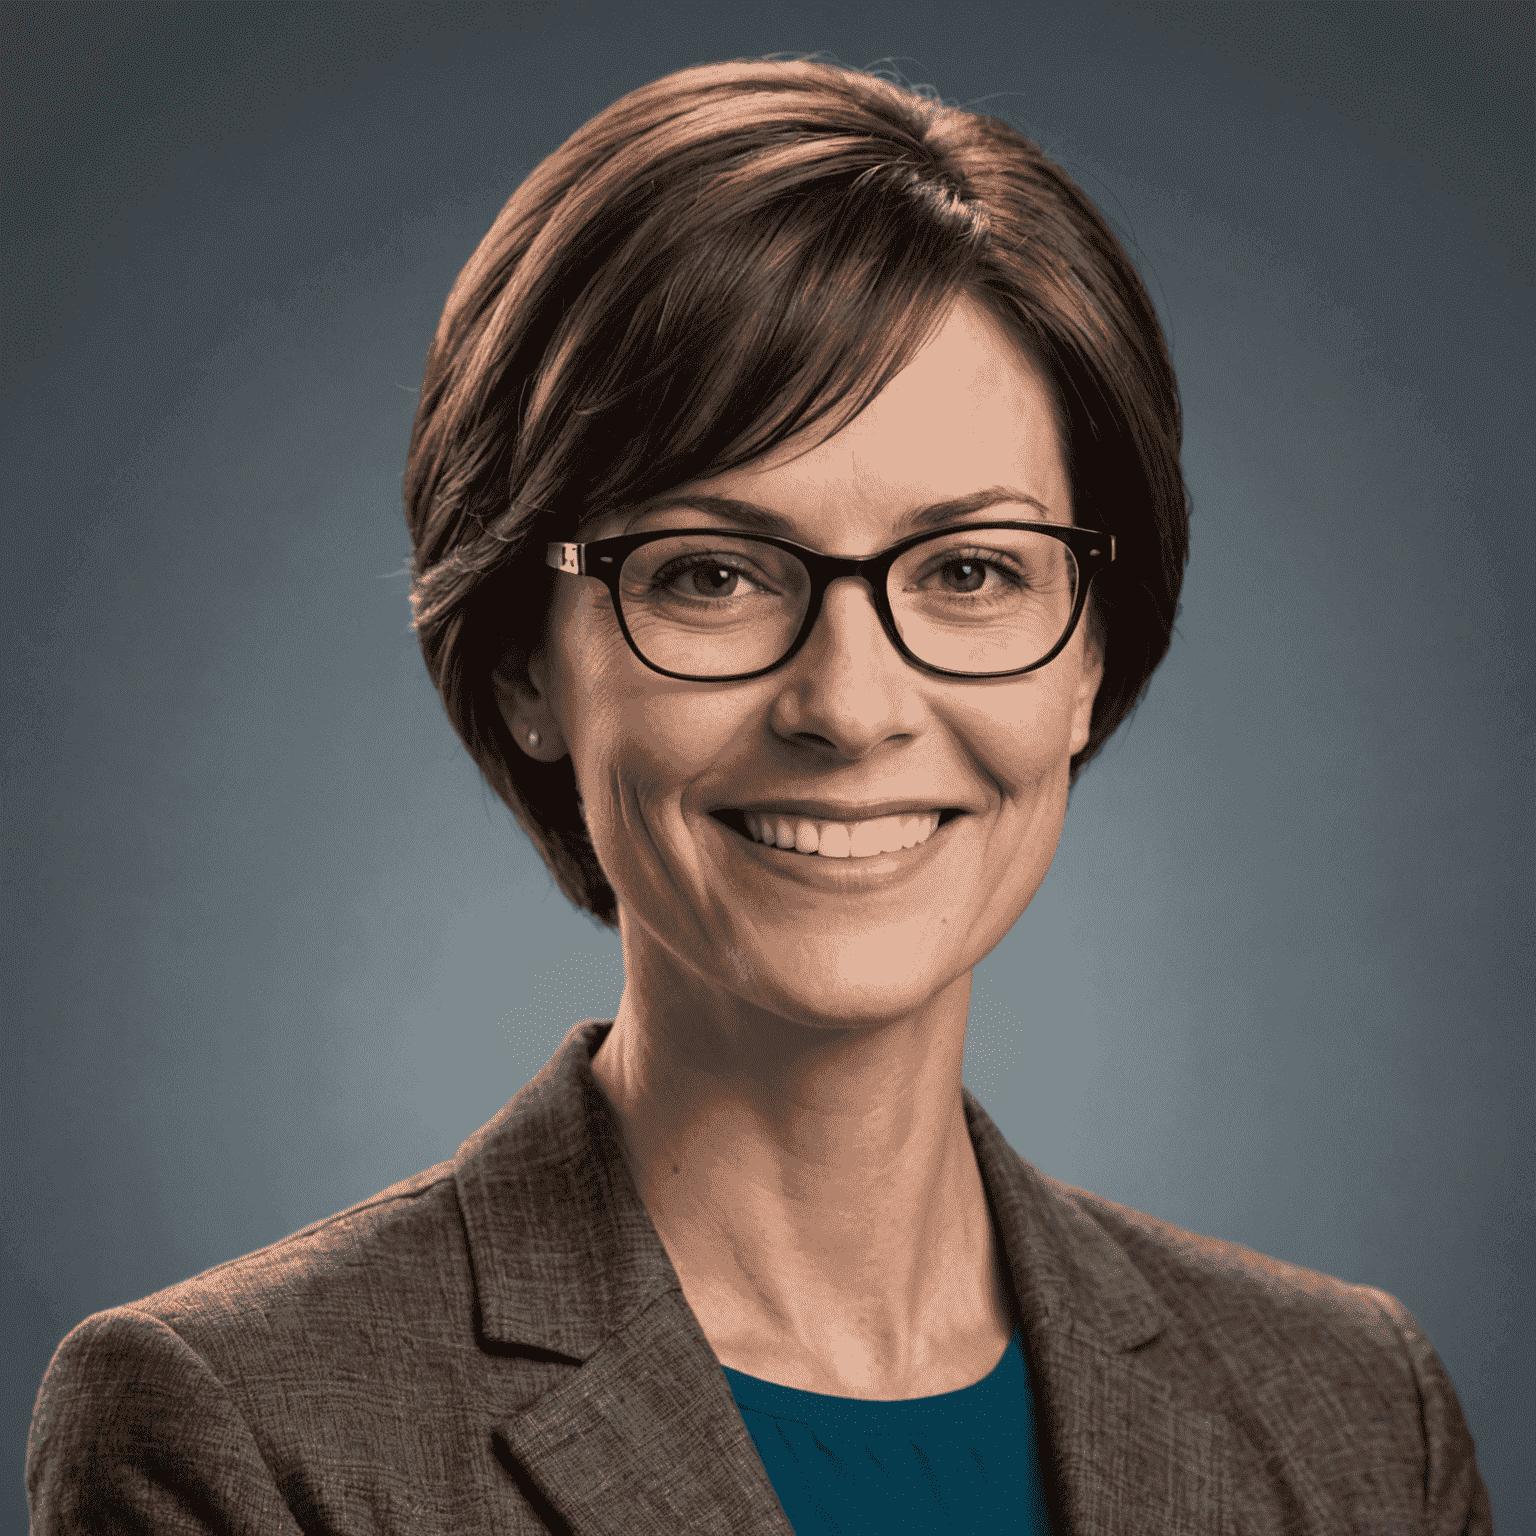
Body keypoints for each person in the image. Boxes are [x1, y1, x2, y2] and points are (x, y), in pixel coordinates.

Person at [28, 56, 1490, 1535]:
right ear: (529, 665)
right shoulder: (237, 1435)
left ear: (1089, 666)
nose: (849, 706)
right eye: (712, 574)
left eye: (972, 571)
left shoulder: (1359, 1417)